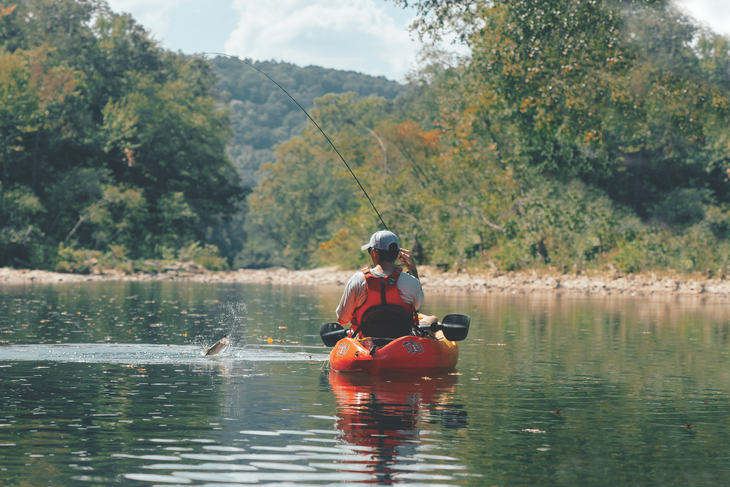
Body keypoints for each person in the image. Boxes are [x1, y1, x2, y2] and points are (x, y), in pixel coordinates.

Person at [335, 230, 437, 339]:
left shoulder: (357, 280)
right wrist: (413, 270)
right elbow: (416, 308)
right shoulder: (411, 281)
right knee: (432, 319)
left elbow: (342, 319)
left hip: (366, 342)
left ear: (374, 252)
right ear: (397, 253)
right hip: (402, 342)